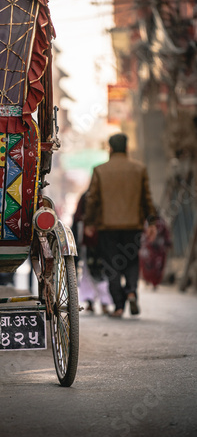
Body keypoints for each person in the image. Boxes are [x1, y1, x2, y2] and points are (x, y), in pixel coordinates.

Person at [83, 133, 157, 318]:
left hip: (107, 226)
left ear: (110, 148)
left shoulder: (100, 170)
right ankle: (131, 291)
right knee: (131, 261)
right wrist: (152, 221)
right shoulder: (139, 169)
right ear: (126, 148)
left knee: (112, 264)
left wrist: (89, 222)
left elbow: (92, 199)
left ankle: (118, 306)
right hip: (133, 225)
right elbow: (146, 198)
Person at [72, 191, 113, 315]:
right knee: (103, 270)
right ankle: (103, 302)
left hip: (89, 239)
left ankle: (92, 301)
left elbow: (77, 217)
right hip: (102, 239)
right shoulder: (105, 195)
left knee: (88, 271)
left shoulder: (86, 196)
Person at [139, 213, 172, 289]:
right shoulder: (145, 222)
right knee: (146, 265)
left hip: (158, 249)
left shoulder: (161, 222)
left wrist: (167, 243)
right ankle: (148, 280)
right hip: (148, 248)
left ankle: (155, 283)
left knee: (158, 267)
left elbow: (166, 233)